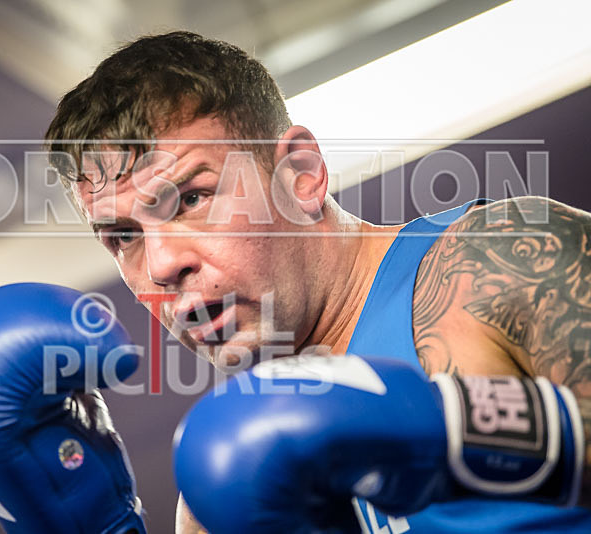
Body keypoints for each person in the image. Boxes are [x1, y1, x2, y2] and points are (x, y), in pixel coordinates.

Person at [41, 31, 591, 532]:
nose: (161, 266)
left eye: (191, 198)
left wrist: (454, 428)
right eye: (123, 237)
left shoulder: (499, 262)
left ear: (299, 174)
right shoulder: (222, 492)